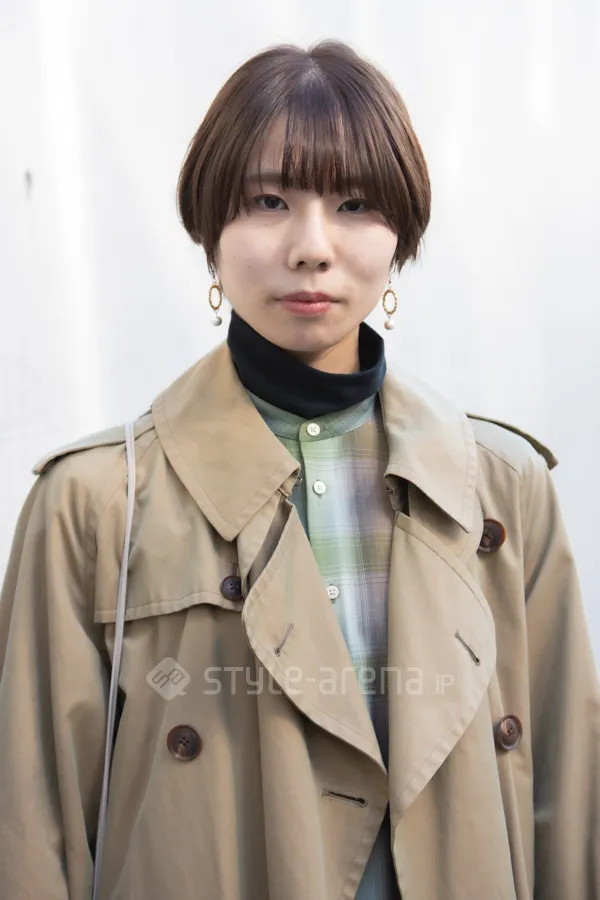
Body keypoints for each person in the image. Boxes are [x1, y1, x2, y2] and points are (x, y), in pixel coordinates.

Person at [0, 39, 598, 900]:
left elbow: (569, 804)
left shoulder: (500, 488)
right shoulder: (96, 501)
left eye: (354, 203)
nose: (312, 247)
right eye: (268, 201)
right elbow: (32, 828)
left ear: (400, 233)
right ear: (210, 228)